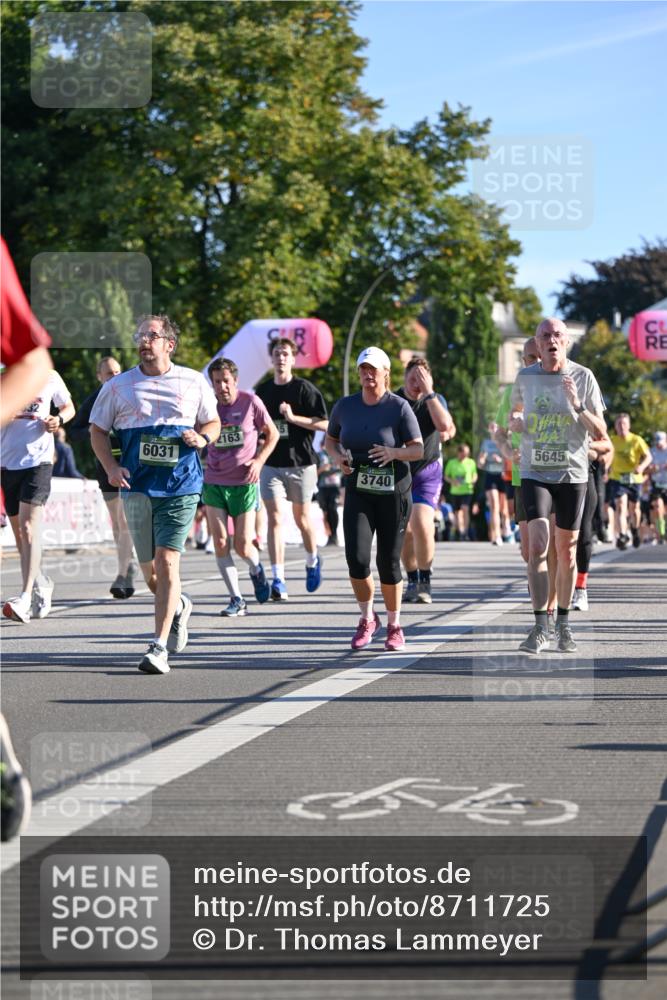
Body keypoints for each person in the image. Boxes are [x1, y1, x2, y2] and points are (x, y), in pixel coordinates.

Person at [90, 314, 220, 674]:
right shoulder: (118, 386)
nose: (144, 341)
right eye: (140, 335)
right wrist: (112, 469)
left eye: (152, 335)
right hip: (137, 488)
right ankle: (177, 606)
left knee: (167, 563)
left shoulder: (193, 381)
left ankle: (158, 646)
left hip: (181, 486)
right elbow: (97, 431)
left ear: (169, 344)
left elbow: (213, 421)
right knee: (150, 575)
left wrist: (203, 437)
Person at [509, 318, 606, 654]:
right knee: (537, 545)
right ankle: (540, 625)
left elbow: (600, 433)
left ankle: (563, 624)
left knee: (566, 552)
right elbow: (514, 415)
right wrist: (516, 422)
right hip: (534, 471)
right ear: (537, 343)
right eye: (545, 335)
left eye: (557, 335)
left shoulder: (584, 376)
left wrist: (578, 405)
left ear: (566, 341)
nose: (551, 340)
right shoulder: (525, 378)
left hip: (572, 474)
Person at [325, 347, 423, 651]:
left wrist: (393, 453)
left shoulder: (399, 407)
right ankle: (368, 618)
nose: (368, 375)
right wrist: (338, 458)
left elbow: (417, 448)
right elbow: (330, 441)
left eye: (374, 369)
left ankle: (395, 625)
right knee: (356, 557)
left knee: (388, 561)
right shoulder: (345, 406)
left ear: (386, 373)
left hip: (394, 492)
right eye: (363, 369)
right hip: (359, 489)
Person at [203, 357, 279, 616]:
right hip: (214, 480)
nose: (222, 386)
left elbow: (273, 434)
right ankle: (237, 598)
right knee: (221, 541)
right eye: (217, 382)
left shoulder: (250, 402)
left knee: (243, 545)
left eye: (226, 381)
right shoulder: (207, 407)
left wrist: (259, 461)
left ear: (235, 380)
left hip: (244, 482)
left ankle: (257, 569)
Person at [255, 338, 328, 600]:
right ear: (271, 359)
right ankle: (278, 579)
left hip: (301, 463)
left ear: (293, 359)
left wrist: (294, 418)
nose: (281, 358)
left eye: (286, 353)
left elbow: (325, 424)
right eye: (277, 353)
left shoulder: (304, 390)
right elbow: (253, 425)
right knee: (274, 518)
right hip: (271, 463)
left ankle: (312, 559)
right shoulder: (262, 391)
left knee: (302, 519)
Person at [1, 368, 75, 622]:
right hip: (6, 463)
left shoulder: (49, 375)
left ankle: (24, 597)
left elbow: (69, 407)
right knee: (21, 536)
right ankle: (41, 582)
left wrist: (58, 420)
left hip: (39, 460)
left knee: (29, 527)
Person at [68, 356, 137, 598]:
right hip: (106, 466)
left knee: (125, 519)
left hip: (130, 466)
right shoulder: (95, 399)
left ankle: (122, 575)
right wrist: (94, 430)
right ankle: (128, 562)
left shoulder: (130, 393)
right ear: (100, 377)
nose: (114, 377)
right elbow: (74, 431)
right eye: (108, 374)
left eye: (117, 372)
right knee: (117, 523)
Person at [397, 356, 455, 603]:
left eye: (421, 380)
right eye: (413, 379)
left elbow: (445, 426)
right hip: (400, 471)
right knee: (404, 531)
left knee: (422, 523)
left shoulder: (435, 399)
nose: (416, 384)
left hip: (428, 470)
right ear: (404, 377)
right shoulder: (394, 400)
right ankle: (411, 578)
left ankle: (424, 580)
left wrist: (429, 392)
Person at [571, 433, 614, 611]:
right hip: (550, 475)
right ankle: (550, 583)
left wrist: (589, 448)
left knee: (583, 530)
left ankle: (581, 588)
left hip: (583, 474)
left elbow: (607, 445)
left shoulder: (588, 407)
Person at [608, 413, 651, 550]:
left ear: (629, 425)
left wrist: (642, 467)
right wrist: (605, 471)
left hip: (634, 478)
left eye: (624, 424)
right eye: (618, 424)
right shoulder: (612, 440)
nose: (621, 426)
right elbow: (607, 456)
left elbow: (648, 457)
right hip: (617, 477)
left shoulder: (636, 440)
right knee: (621, 506)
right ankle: (622, 535)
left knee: (635, 509)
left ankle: (635, 529)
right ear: (615, 426)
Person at [478, 423, 506, 546]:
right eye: (491, 428)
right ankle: (497, 536)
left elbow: (511, 458)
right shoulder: (486, 443)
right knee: (494, 506)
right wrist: (482, 459)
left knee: (504, 509)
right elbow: (479, 464)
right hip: (490, 475)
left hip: (504, 476)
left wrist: (500, 460)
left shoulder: (505, 441)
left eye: (495, 428)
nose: (493, 430)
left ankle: (507, 530)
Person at [443, 444, 477, 540]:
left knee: (465, 508)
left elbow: (475, 475)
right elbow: (446, 476)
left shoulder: (471, 462)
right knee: (458, 512)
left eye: (467, 454)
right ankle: (460, 531)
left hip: (467, 490)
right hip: (455, 491)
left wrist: (473, 480)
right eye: (464, 454)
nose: (465, 456)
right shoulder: (451, 462)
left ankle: (465, 532)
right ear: (459, 453)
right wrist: (452, 481)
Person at [316, 449, 342, 546]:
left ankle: (334, 535)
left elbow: (345, 468)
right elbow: (314, 471)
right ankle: (329, 536)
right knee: (326, 512)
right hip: (322, 487)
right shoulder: (319, 455)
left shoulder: (339, 453)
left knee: (333, 509)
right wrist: (322, 469)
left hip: (335, 487)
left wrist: (334, 468)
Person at [649, 431, 667, 543]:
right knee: (658, 507)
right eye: (657, 442)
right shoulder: (652, 451)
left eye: (661, 442)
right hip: (657, 484)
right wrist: (652, 469)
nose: (659, 444)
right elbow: (646, 469)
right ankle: (661, 534)